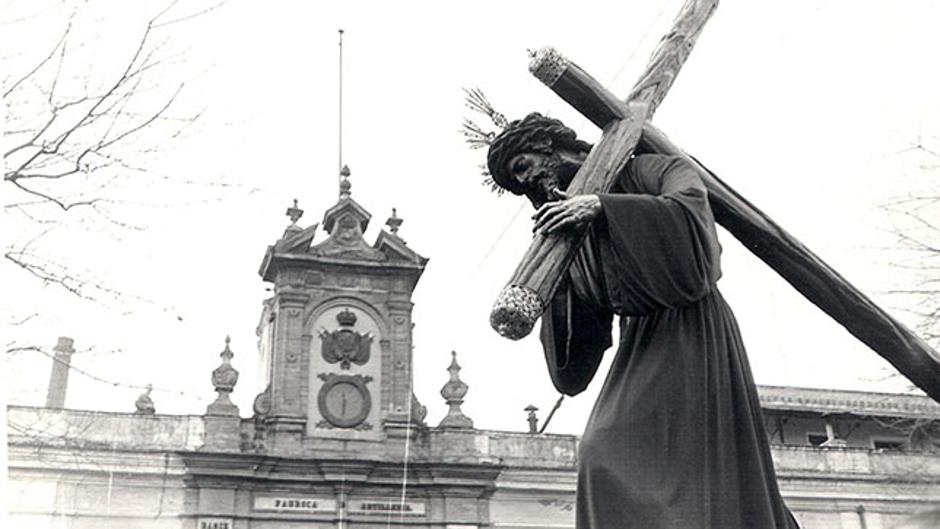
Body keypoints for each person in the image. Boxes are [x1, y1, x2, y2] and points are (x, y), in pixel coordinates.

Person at [487, 113, 801, 529]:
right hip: (639, 339)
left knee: (624, 455)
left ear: (550, 146)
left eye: (524, 167)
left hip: (691, 327)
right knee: (600, 454)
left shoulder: (650, 168)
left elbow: (692, 224)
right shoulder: (569, 229)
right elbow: (573, 369)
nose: (527, 184)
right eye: (516, 184)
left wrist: (603, 208)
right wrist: (557, 277)